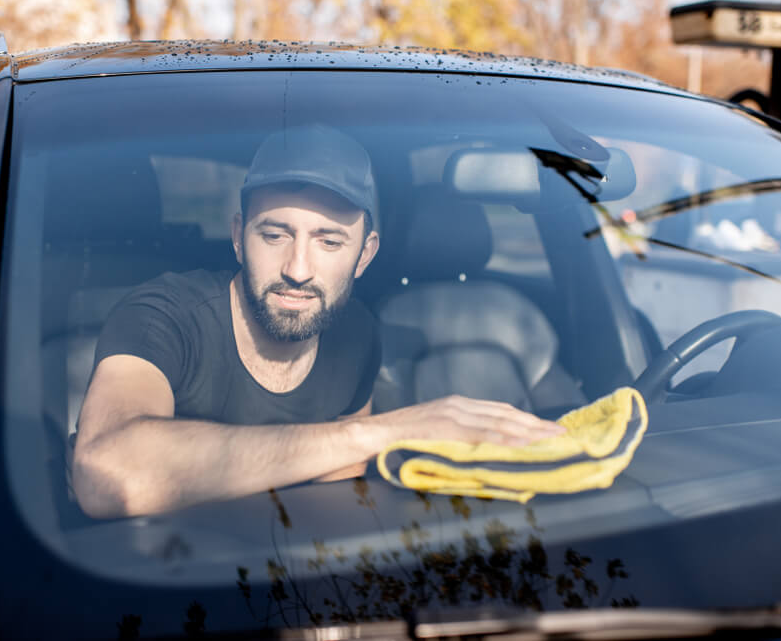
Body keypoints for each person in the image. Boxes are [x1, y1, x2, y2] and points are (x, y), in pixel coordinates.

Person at [72, 125, 564, 518]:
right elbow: (104, 472)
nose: (298, 269)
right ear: (239, 237)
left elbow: (341, 500)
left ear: (364, 255)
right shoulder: (163, 317)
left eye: (329, 242)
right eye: (274, 235)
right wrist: (381, 433)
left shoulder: (356, 333)